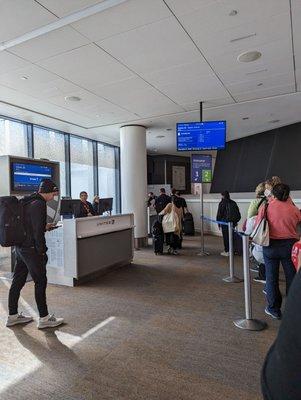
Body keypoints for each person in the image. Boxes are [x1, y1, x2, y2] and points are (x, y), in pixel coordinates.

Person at [6, 179, 64, 329]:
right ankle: (44, 318)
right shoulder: (39, 204)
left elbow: (29, 225)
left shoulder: (28, 200)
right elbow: (37, 232)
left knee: (17, 281)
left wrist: (46, 226)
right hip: (31, 250)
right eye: (54, 193)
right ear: (48, 192)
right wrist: (42, 251)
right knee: (40, 281)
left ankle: (12, 316)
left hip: (20, 247)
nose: (54, 196)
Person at [256, 183, 301, 319]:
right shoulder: (294, 209)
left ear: (273, 194)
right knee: (292, 278)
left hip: (271, 246)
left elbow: (259, 223)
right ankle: (292, 310)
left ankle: (273, 309)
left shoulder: (267, 206)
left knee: (271, 278)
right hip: (289, 246)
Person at [261, 269, 301, 400]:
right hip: (281, 377)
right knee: (290, 274)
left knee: (271, 274)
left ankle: (273, 307)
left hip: (281, 378)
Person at [216, 191, 241, 256]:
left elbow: (219, 214)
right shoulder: (233, 202)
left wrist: (219, 223)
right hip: (233, 223)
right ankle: (234, 250)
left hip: (225, 223)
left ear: (223, 196)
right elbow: (238, 213)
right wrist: (235, 221)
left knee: (226, 237)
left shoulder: (222, 203)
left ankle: (227, 251)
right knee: (232, 236)